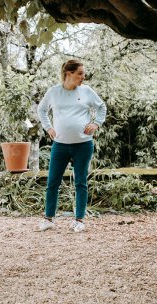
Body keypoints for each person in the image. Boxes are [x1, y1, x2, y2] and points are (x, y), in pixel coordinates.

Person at [37, 59, 107, 233]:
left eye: (83, 73)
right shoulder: (54, 92)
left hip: (83, 145)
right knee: (53, 182)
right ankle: (48, 219)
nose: (83, 77)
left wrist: (96, 123)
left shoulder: (87, 91)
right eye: (80, 73)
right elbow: (42, 110)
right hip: (60, 145)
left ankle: (79, 220)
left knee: (81, 182)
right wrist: (48, 127)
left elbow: (101, 107)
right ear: (68, 73)